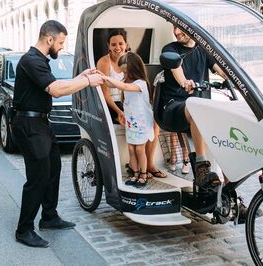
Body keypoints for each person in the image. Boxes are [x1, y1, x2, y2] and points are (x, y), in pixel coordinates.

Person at [12, 20, 103, 248]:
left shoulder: (40, 61)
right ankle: (24, 229)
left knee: (54, 168)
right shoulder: (31, 60)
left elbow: (56, 83)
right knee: (38, 177)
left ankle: (49, 217)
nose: (61, 47)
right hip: (29, 124)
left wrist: (82, 76)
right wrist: (88, 81)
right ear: (49, 39)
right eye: (61, 42)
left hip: (41, 123)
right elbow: (56, 89)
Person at [160, 25, 227, 191]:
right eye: (173, 27)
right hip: (174, 107)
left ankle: (229, 196)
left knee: (225, 147)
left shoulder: (204, 49)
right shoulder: (171, 49)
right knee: (196, 107)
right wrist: (185, 82)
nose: (176, 32)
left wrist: (236, 76)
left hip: (199, 107)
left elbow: (221, 71)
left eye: (180, 27)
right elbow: (178, 72)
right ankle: (201, 165)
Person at [102, 52, 154, 188]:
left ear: (135, 70)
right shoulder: (126, 81)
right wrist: (100, 77)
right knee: (131, 149)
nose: (124, 75)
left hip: (142, 123)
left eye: (126, 72)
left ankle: (143, 173)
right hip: (131, 123)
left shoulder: (141, 84)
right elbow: (113, 85)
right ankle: (135, 173)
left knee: (139, 150)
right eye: (122, 72)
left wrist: (106, 77)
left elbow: (123, 87)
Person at [96, 29, 128, 125]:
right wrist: (119, 112)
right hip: (111, 104)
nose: (117, 47)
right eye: (113, 44)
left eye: (120, 43)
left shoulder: (131, 59)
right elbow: (105, 94)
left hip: (128, 102)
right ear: (108, 46)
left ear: (126, 44)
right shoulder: (104, 62)